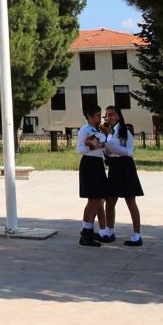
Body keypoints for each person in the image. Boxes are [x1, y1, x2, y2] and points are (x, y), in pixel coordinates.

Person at [103, 105, 145, 246]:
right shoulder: (108, 132)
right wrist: (107, 149)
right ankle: (109, 231)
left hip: (125, 166)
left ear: (118, 116)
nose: (108, 117)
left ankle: (137, 234)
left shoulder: (123, 131)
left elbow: (127, 151)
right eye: (107, 115)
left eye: (112, 114)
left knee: (130, 200)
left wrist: (109, 144)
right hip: (114, 166)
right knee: (110, 200)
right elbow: (110, 149)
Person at [76, 104, 108, 246]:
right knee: (94, 200)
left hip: (98, 164)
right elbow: (79, 148)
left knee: (99, 199)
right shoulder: (85, 130)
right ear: (89, 116)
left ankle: (88, 230)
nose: (99, 119)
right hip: (89, 164)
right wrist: (92, 145)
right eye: (97, 116)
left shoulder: (98, 129)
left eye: (100, 116)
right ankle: (86, 232)